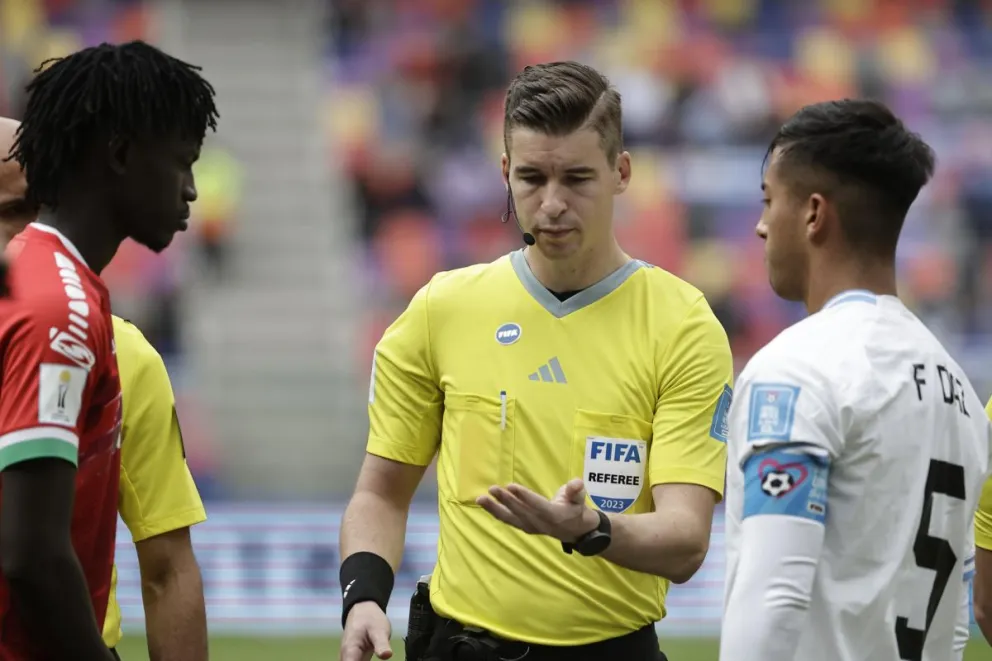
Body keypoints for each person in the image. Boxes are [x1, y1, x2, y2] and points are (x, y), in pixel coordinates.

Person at [339, 60, 733, 661]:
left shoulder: (682, 325)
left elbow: (686, 542)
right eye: (531, 178)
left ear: (621, 172)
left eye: (576, 179)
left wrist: (589, 530)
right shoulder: (440, 310)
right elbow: (381, 494)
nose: (551, 204)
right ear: (504, 173)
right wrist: (364, 598)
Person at [720, 99, 989, 661]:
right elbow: (955, 624)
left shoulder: (796, 369)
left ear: (814, 213)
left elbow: (771, 601)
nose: (761, 225)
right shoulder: (958, 389)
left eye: (770, 201)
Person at [0, 41, 217, 660]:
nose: (193, 190)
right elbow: (33, 555)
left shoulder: (61, 291)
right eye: (181, 162)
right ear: (120, 155)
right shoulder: (56, 308)